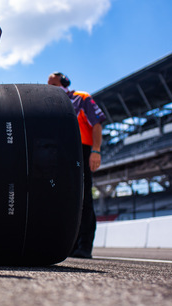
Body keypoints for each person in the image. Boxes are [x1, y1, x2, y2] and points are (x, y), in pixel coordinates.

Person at [48, 72, 106, 258]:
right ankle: (69, 244)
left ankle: (84, 245)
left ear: (64, 82)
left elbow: (96, 124)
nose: (50, 86)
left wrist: (96, 151)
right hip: (63, 153)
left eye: (54, 83)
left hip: (83, 150)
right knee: (66, 199)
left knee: (84, 199)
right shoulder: (53, 104)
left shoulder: (82, 98)